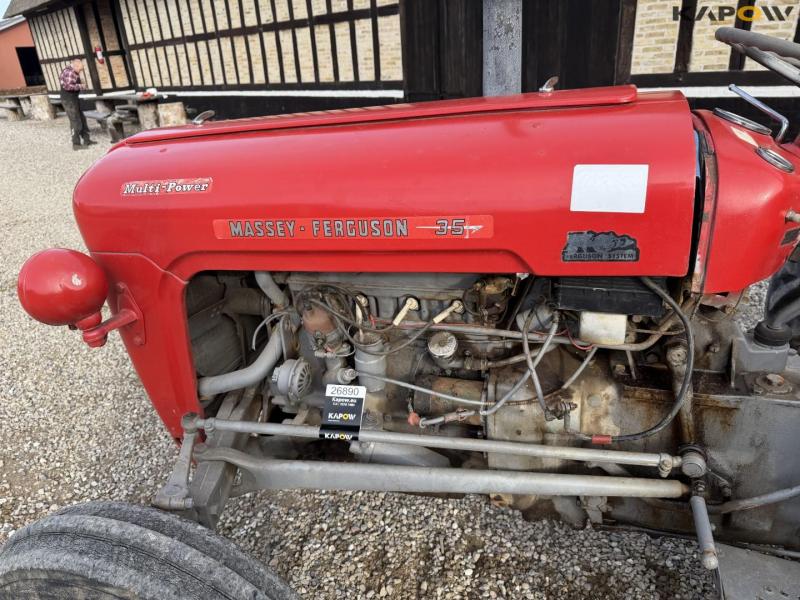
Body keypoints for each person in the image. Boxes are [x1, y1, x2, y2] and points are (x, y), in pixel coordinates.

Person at [59, 59, 96, 150]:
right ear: (75, 66)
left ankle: (86, 140)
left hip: (74, 99)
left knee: (82, 118)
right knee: (75, 120)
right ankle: (76, 144)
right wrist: (81, 86)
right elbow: (68, 86)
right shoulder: (70, 72)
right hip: (68, 99)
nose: (80, 71)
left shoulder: (73, 72)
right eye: (80, 69)